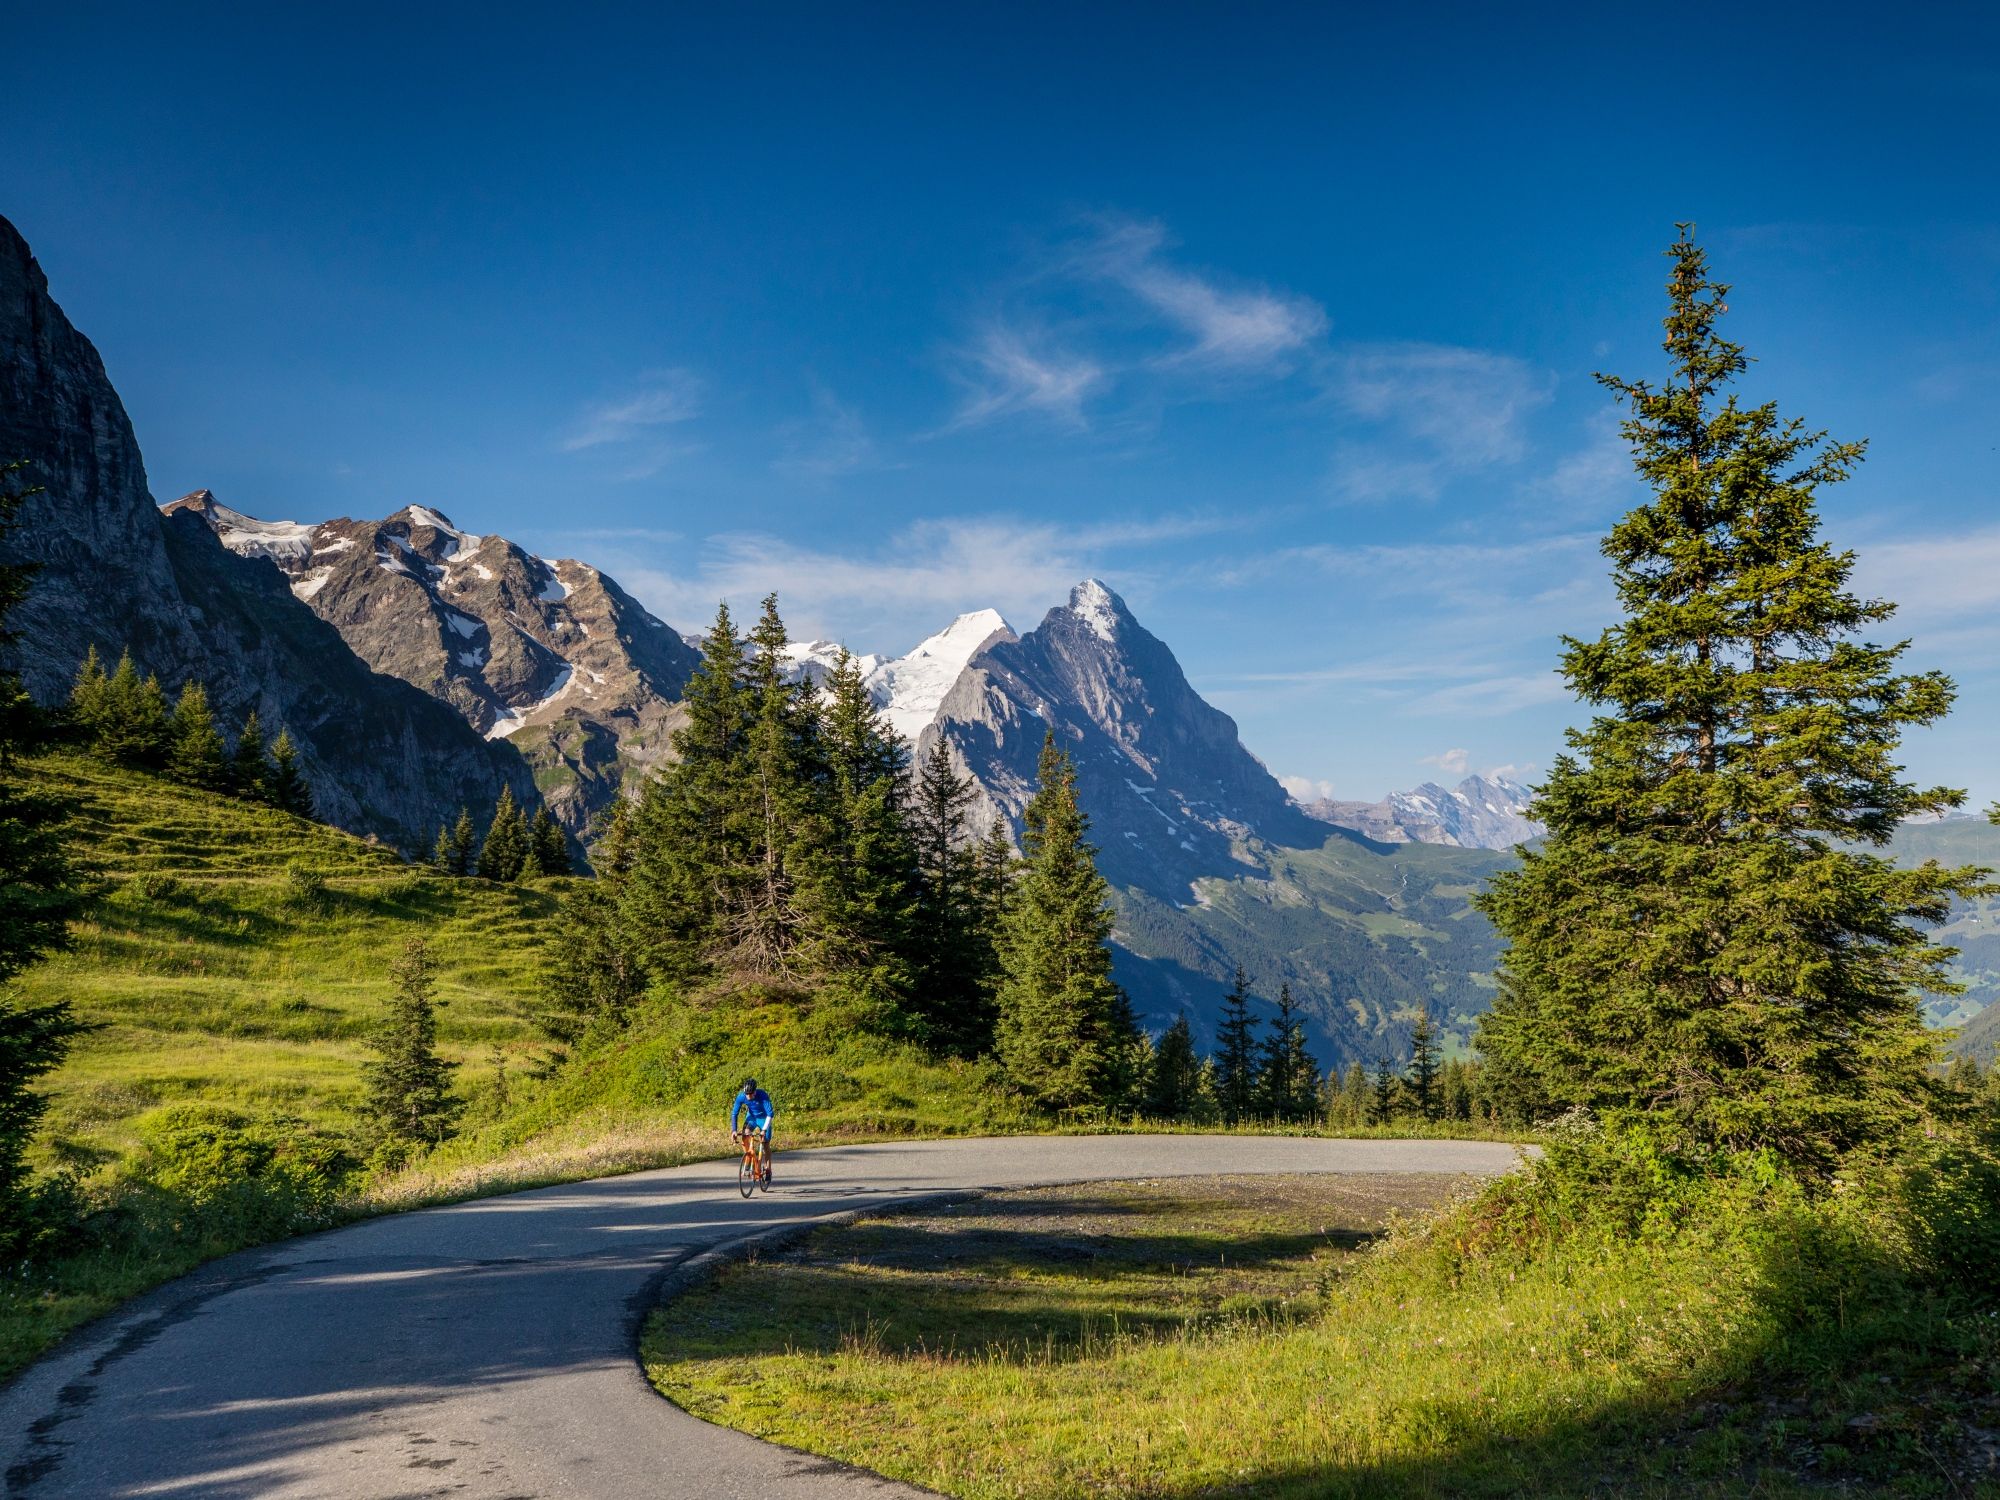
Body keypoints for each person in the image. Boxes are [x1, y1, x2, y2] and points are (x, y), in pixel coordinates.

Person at [729, 1076, 776, 1182]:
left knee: (765, 1143)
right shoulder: (741, 1097)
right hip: (752, 1118)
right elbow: (734, 1113)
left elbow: (770, 1114)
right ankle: (749, 1157)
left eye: (751, 1093)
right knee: (746, 1134)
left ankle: (768, 1169)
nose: (748, 1096)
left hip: (764, 1118)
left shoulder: (762, 1095)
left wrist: (764, 1130)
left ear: (755, 1091)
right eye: (747, 1094)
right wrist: (734, 1130)